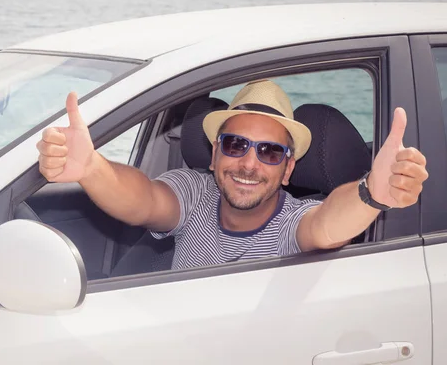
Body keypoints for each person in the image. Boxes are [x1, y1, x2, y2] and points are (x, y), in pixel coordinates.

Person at [36, 80, 429, 270]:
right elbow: (142, 201)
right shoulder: (194, 193)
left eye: (271, 151)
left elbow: (325, 226)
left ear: (289, 168)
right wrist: (91, 168)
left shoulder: (293, 220)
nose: (249, 164)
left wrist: (372, 192)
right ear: (214, 154)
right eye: (236, 145)